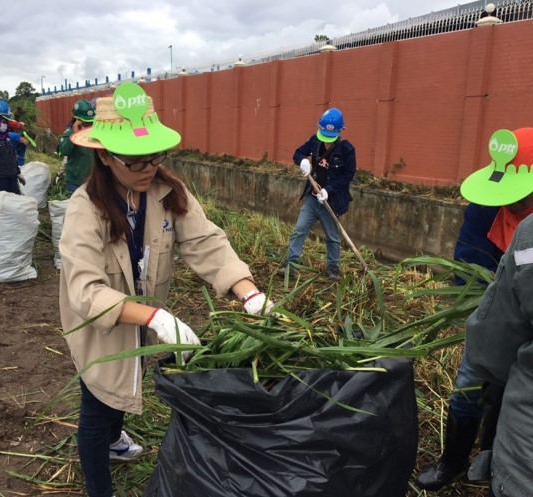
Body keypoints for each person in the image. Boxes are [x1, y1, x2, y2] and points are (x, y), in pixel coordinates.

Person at [58, 82, 274, 497]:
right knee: (99, 399)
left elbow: (207, 243)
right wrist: (156, 317)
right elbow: (85, 291)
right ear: (104, 156)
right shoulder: (85, 208)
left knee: (130, 375)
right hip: (101, 325)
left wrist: (249, 293)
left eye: (155, 158)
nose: (148, 169)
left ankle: (116, 441)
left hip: (144, 314)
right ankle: (98, 486)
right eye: (136, 162)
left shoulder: (167, 192)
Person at [461, 127, 533, 497]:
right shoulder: (484, 206)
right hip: (491, 315)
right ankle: (453, 460)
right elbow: (467, 258)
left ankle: (489, 454)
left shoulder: (529, 237)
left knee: (503, 397)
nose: (512, 206)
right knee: (469, 388)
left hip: (520, 332)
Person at [416, 202, 505, 490]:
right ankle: (453, 461)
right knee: (469, 382)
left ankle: (500, 469)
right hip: (492, 307)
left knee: (512, 398)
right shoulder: (485, 206)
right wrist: (483, 314)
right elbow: (470, 263)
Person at [279, 107, 356, 281]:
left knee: (332, 237)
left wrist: (329, 190)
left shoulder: (347, 150)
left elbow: (348, 175)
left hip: (331, 202)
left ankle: (333, 268)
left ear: (339, 131)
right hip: (312, 199)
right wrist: (303, 161)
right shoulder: (315, 141)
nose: (326, 141)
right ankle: (290, 265)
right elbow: (297, 153)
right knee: (299, 230)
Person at [58, 98, 96, 194]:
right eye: (86, 122)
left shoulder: (95, 133)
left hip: (93, 181)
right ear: (77, 120)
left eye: (91, 122)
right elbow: (64, 151)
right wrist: (75, 134)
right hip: (75, 182)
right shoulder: (69, 133)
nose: (89, 125)